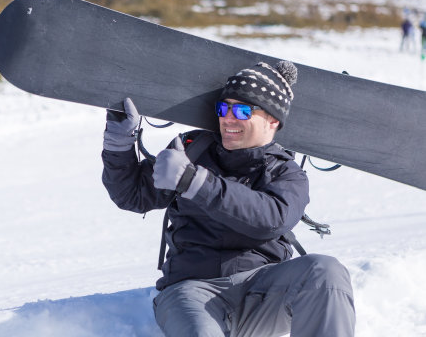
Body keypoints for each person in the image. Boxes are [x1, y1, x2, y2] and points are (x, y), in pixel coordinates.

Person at [101, 61, 355, 336]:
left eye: (243, 110)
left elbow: (270, 219)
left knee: (326, 273)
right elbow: (132, 195)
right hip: (191, 292)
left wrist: (195, 182)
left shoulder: (287, 174)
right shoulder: (192, 151)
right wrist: (118, 140)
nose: (228, 118)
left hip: (263, 291)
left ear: (273, 120)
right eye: (223, 108)